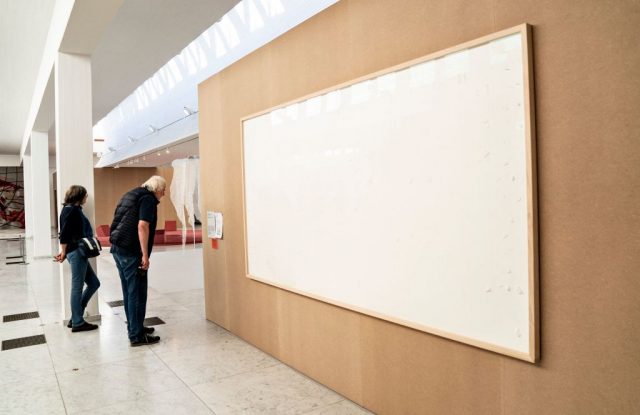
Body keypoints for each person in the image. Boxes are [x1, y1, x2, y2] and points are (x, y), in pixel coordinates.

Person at [110, 175, 166, 346]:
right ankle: (136, 335)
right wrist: (144, 255)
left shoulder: (131, 194)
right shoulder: (148, 199)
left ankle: (136, 327)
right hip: (131, 252)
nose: (163, 195)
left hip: (118, 249)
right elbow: (142, 226)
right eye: (163, 191)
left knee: (129, 292)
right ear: (157, 189)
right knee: (137, 294)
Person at [54, 185, 101, 332]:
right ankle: (78, 322)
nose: (87, 198)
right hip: (76, 253)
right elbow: (65, 234)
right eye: (85, 195)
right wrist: (63, 251)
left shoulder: (72, 210)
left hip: (77, 252)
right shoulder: (71, 211)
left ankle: (76, 317)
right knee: (77, 287)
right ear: (79, 196)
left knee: (94, 283)